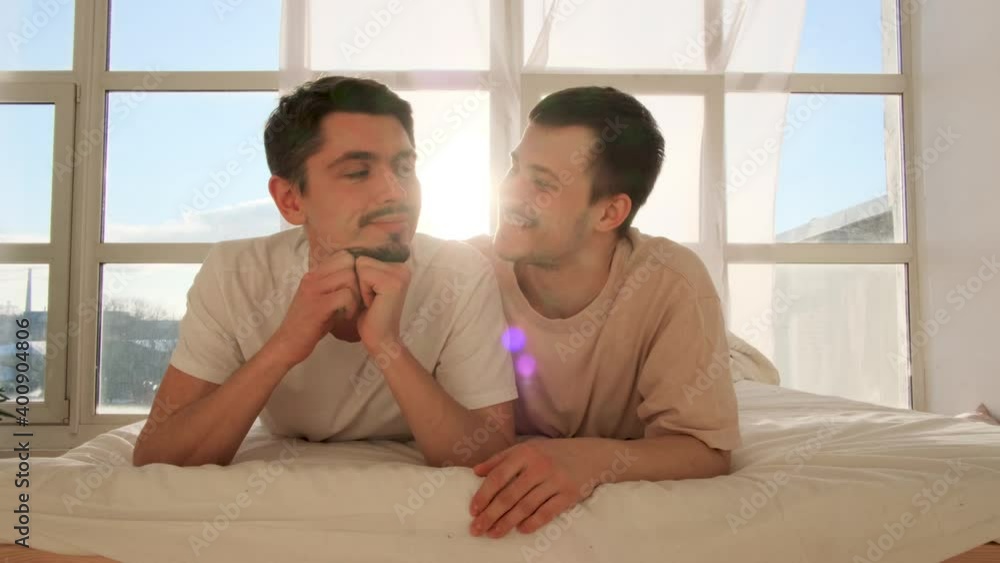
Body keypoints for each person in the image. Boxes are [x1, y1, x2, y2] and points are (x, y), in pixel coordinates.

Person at [133, 76, 517, 468]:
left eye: (404, 167)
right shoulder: (234, 274)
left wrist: (387, 346)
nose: (396, 192)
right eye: (357, 172)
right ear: (290, 200)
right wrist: (285, 345)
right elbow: (158, 454)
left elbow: (490, 455)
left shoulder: (460, 273)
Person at [466, 86, 741, 538]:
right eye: (515, 167)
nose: (510, 191)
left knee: (739, 366)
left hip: (698, 352)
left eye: (542, 183)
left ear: (610, 212)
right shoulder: (466, 271)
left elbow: (707, 450)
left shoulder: (673, 282)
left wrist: (591, 459)